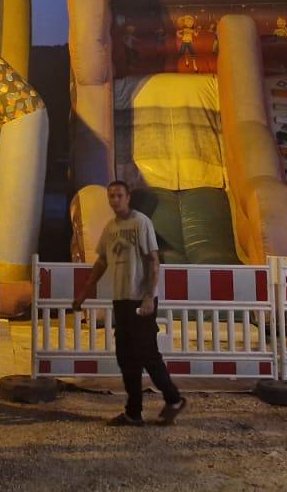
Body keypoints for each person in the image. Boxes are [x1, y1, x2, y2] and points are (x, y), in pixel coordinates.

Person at [70, 179, 187, 426]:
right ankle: (133, 412)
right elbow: (102, 262)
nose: (115, 200)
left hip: (140, 299)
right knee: (126, 357)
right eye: (111, 196)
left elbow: (153, 260)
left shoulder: (141, 223)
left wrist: (149, 296)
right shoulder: (111, 227)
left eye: (119, 195)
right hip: (121, 300)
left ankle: (174, 399)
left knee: (147, 353)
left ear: (128, 197)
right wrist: (84, 293)